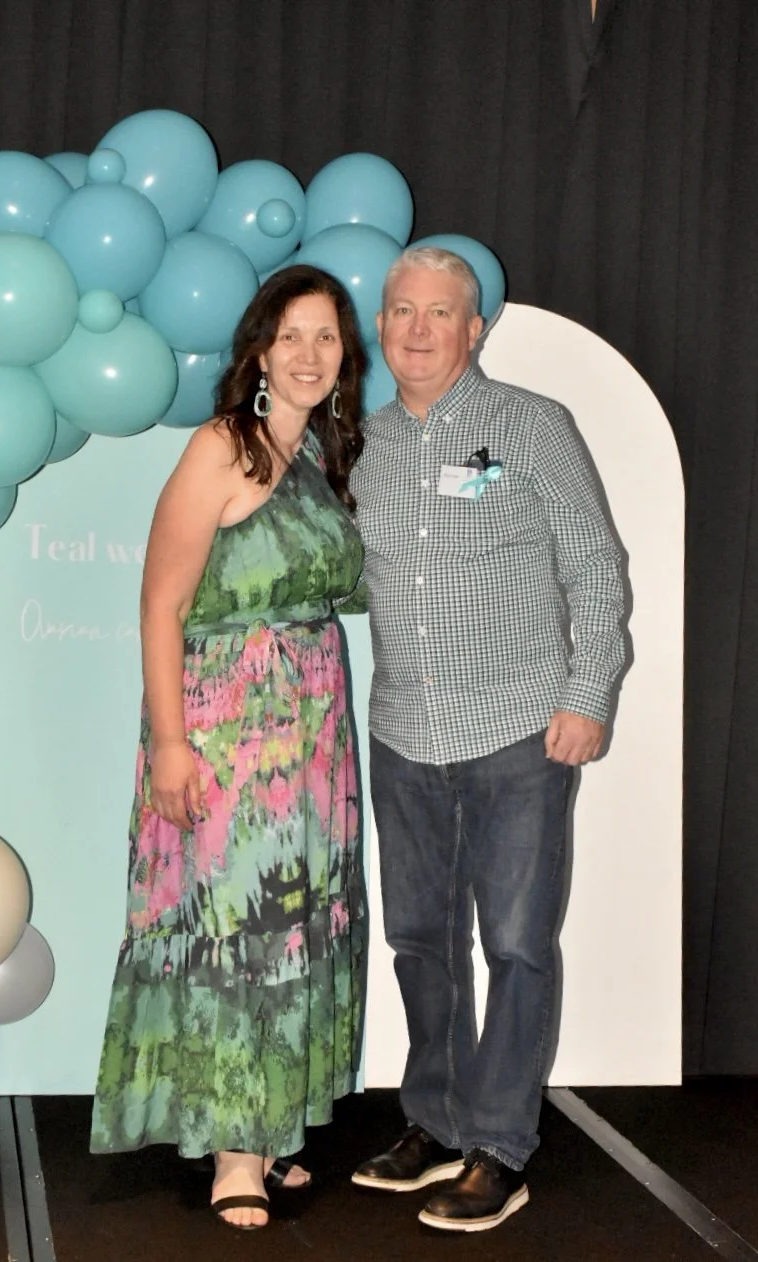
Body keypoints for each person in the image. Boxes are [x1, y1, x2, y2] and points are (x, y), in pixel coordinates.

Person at [348, 247, 625, 1233]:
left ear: (475, 330)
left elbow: (594, 566)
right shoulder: (359, 445)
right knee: (419, 940)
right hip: (402, 733)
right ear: (379, 327)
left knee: (513, 941)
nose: (417, 328)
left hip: (518, 730)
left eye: (440, 312)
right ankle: (433, 1117)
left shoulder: (527, 426)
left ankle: (500, 1144)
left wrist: (589, 691)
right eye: (399, 311)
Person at [90, 264, 369, 1232]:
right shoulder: (224, 448)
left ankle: (269, 1118)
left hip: (314, 737)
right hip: (228, 735)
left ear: (343, 359)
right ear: (257, 351)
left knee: (296, 924)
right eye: (289, 335)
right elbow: (160, 603)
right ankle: (235, 1151)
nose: (306, 354)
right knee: (238, 924)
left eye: (325, 337)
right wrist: (171, 742)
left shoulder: (318, 460)